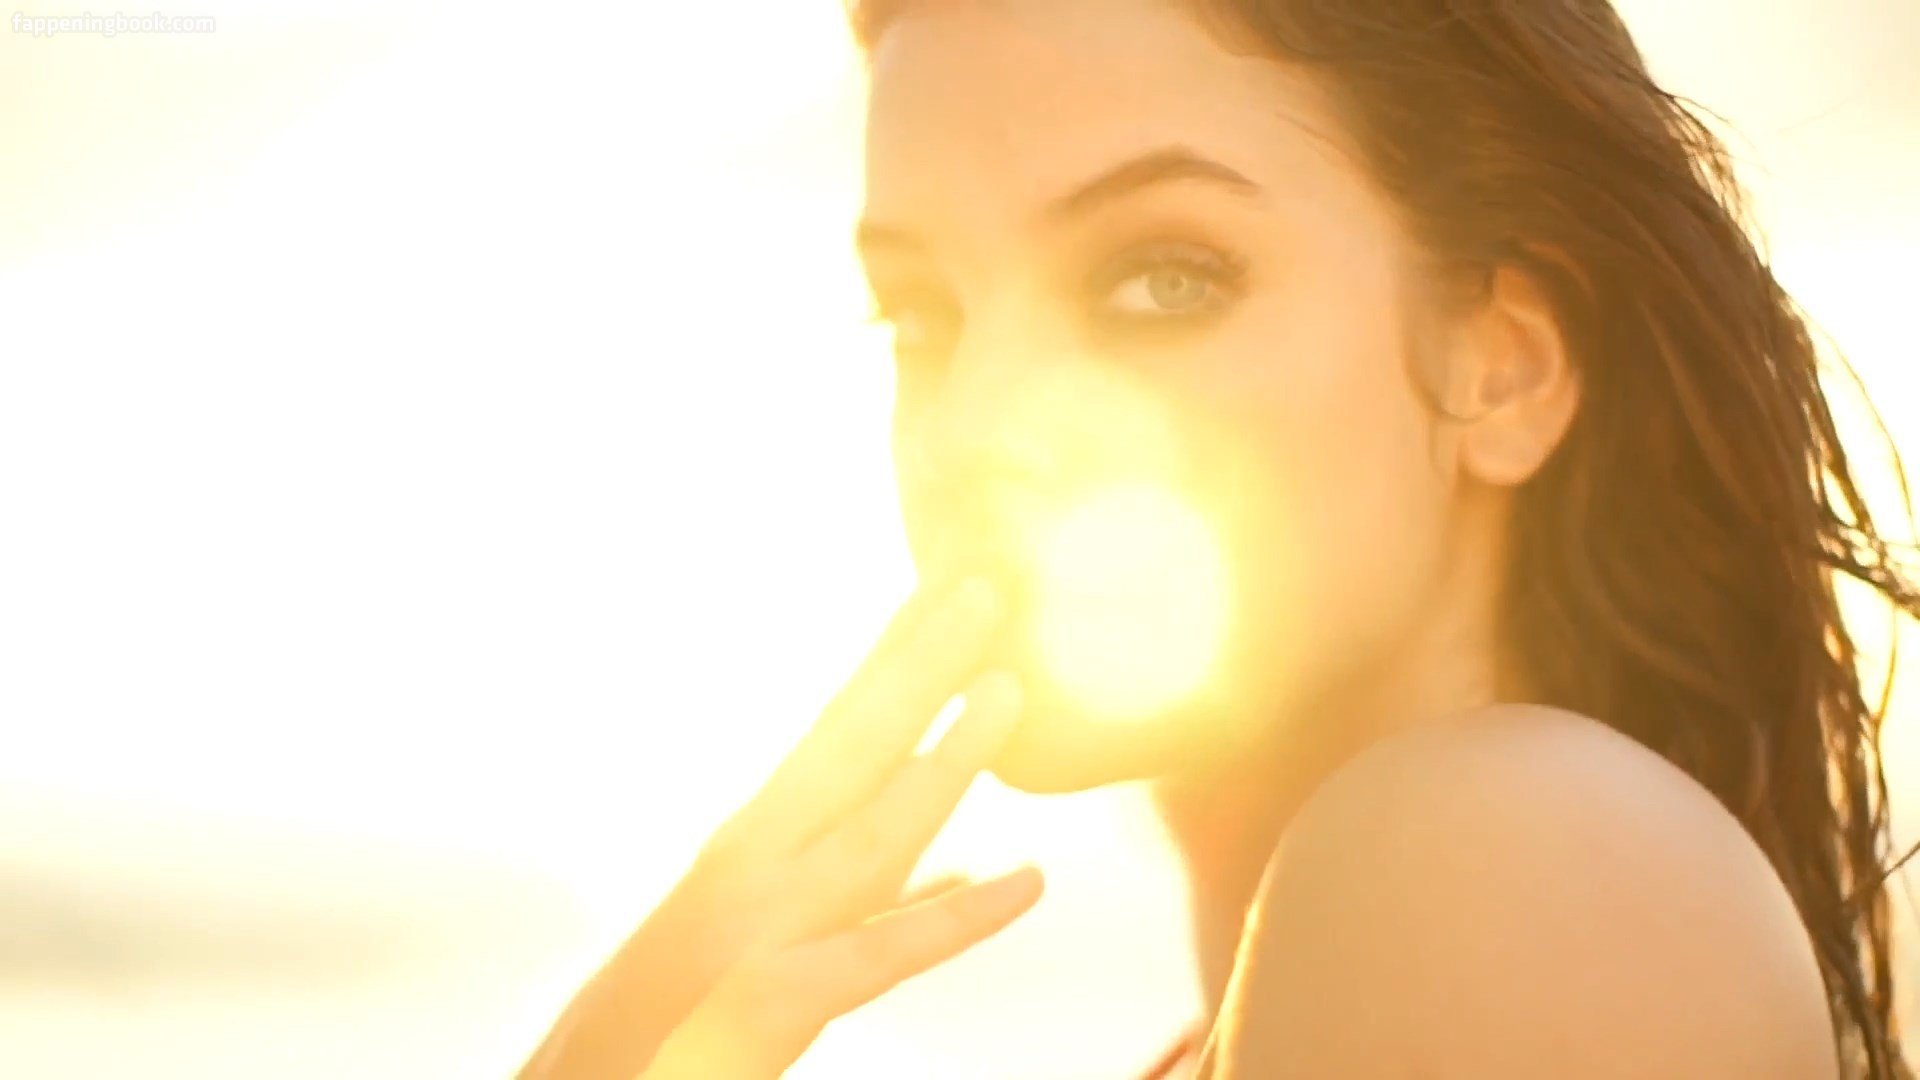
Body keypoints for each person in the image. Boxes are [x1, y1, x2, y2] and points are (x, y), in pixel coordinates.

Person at [521, 1, 1919, 1076]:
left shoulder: (1520, 856)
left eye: (1162, 282)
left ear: (1502, 368)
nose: (978, 423)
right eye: (924, 316)